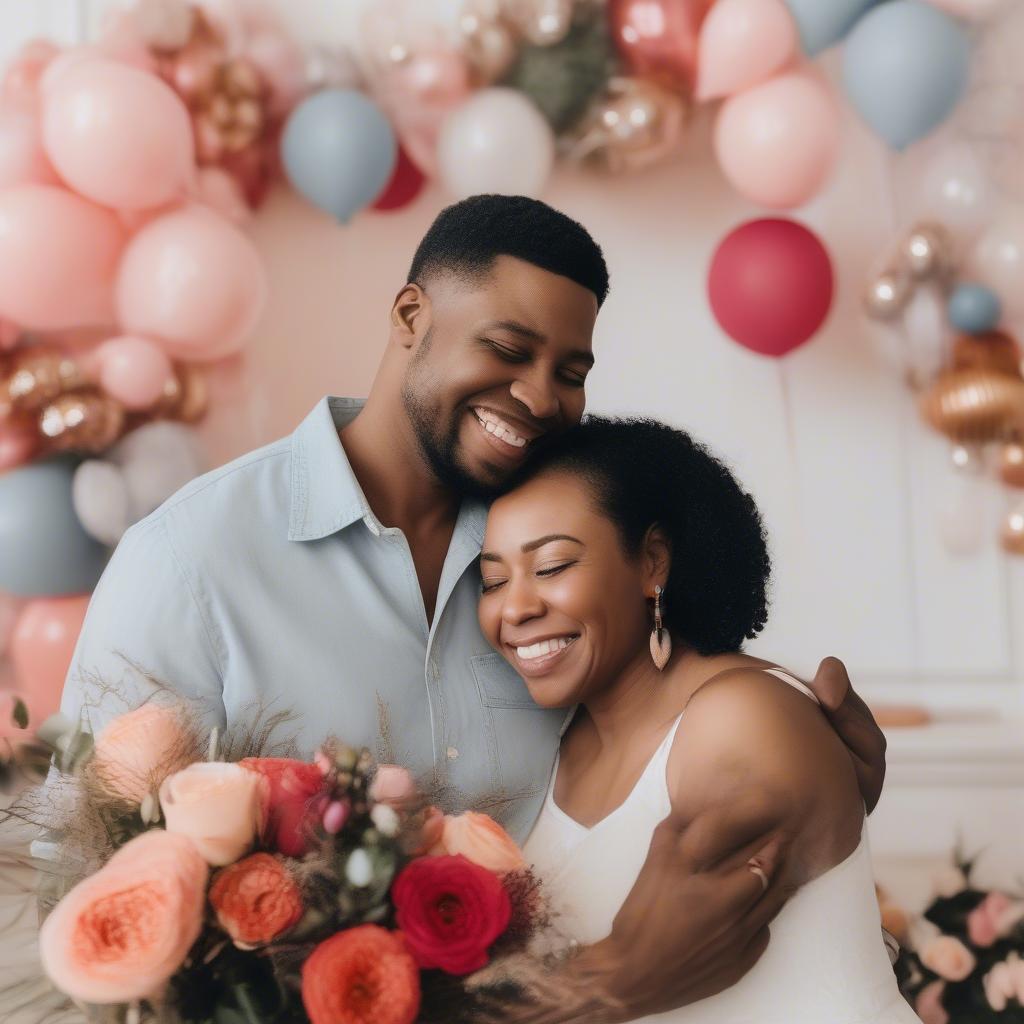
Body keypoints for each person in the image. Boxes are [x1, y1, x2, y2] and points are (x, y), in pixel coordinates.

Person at [55, 195, 888, 1020]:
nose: (538, 396)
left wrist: (812, 772)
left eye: (570, 373)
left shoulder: (547, 545)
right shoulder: (192, 559)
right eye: (508, 349)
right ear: (412, 315)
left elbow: (675, 735)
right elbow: (91, 890)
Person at [479, 416, 916, 1023]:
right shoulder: (555, 744)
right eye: (492, 579)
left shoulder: (743, 715)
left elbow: (633, 972)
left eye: (551, 566)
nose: (515, 607)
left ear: (652, 561)